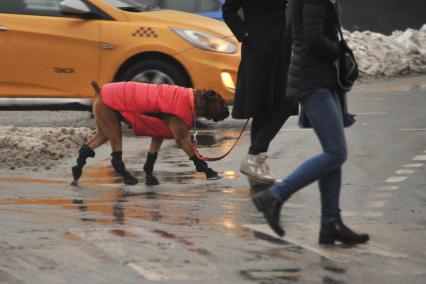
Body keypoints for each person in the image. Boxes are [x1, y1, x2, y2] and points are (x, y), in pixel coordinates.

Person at [252, 0, 369, 245]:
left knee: (332, 154)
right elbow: (312, 38)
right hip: (314, 82)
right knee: (336, 153)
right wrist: (337, 52)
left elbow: (292, 32)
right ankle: (274, 196)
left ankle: (330, 223)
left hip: (321, 79)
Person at [222, 0, 298, 184]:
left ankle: (255, 163)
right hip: (258, 50)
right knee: (274, 104)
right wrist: (245, 35)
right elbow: (228, 10)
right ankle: (255, 156)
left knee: (273, 105)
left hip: (281, 49)